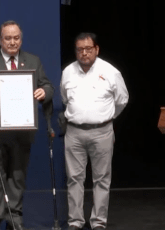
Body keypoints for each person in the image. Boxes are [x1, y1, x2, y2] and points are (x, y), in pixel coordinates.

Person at [0, 20, 54, 230]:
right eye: (7, 38)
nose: (12, 42)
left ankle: (14, 218)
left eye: (16, 37)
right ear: (0, 39)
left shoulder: (33, 60)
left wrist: (44, 92)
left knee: (17, 178)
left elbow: (47, 85)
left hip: (23, 130)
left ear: (21, 38)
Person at [60, 33, 129, 230]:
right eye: (80, 49)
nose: (84, 53)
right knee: (74, 179)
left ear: (96, 49)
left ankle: (98, 222)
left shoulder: (110, 72)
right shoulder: (68, 72)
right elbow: (65, 99)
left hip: (102, 132)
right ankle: (75, 222)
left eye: (88, 49)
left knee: (101, 179)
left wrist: (106, 118)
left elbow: (122, 100)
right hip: (74, 132)